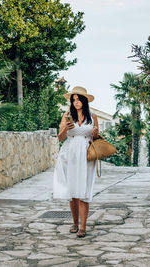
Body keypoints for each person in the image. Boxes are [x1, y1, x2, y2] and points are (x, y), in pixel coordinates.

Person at [53, 86, 99, 238]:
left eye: (78, 99)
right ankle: (75, 223)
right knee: (72, 191)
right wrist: (65, 129)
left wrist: (96, 133)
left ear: (84, 101)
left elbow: (95, 138)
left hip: (86, 155)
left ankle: (83, 226)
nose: (76, 102)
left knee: (84, 190)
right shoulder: (67, 115)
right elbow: (60, 138)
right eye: (73, 100)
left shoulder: (93, 116)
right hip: (69, 154)